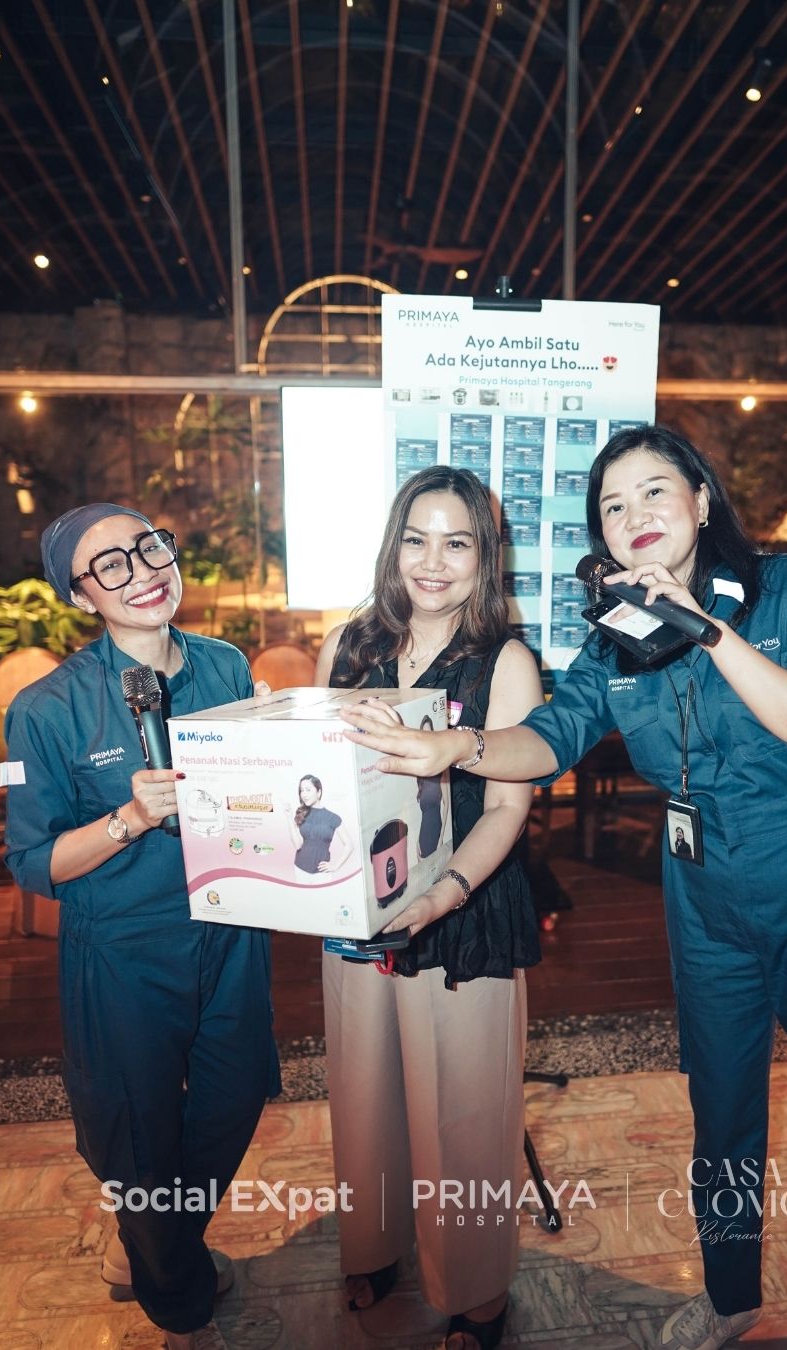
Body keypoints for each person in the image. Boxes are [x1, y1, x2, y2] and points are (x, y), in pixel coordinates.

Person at [339, 427, 787, 1350]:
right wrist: (460, 746)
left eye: (653, 491)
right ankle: (730, 1294)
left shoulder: (786, 588)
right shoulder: (618, 639)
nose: (633, 514)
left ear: (701, 499)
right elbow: (551, 736)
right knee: (720, 1108)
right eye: (613, 506)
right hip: (703, 895)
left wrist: (707, 629)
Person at [4, 503, 279, 1350]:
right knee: (139, 1131)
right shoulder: (46, 709)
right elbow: (34, 864)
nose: (143, 572)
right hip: (123, 950)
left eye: (148, 548)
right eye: (110, 566)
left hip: (231, 930)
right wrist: (129, 819)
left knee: (235, 1096)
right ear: (80, 596)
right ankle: (179, 1303)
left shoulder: (226, 666)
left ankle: (149, 1240)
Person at [316, 466, 543, 1350]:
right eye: (416, 539)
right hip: (360, 910)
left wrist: (448, 892)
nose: (433, 562)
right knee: (363, 1090)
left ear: (486, 557)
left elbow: (509, 808)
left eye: (457, 543)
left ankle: (476, 1291)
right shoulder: (350, 646)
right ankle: (372, 1244)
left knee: (465, 1111)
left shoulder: (505, 662)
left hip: (463, 910)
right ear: (393, 546)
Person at [285, 774, 352, 881]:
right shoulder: (301, 814)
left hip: (322, 874)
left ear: (318, 792)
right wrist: (289, 817)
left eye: (308, 790)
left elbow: (349, 845)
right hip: (300, 869)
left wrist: (336, 866)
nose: (304, 794)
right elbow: (298, 845)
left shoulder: (333, 818)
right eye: (302, 790)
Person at [415, 713, 448, 859]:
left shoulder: (441, 767)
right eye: (424, 734)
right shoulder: (420, 773)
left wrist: (441, 838)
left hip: (435, 832)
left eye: (429, 733)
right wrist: (417, 840)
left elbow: (446, 805)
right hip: (422, 837)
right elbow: (423, 815)